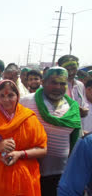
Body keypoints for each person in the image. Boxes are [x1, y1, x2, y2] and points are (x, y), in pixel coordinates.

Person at [0, 80, 47, 196]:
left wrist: (20, 154)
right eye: (2, 95)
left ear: (18, 96)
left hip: (24, 180)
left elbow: (43, 149)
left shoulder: (28, 118)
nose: (6, 100)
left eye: (11, 95)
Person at [20, 67, 82, 196]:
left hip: (61, 172)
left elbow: (75, 138)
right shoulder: (27, 101)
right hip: (31, 168)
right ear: (43, 82)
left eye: (62, 83)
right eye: (53, 82)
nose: (58, 87)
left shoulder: (72, 107)